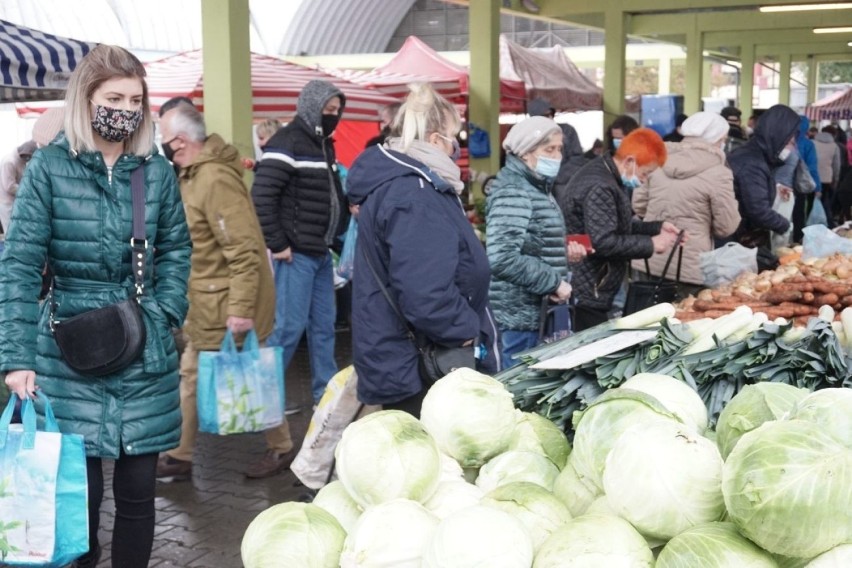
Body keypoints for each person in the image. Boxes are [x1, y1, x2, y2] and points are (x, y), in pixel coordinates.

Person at [0, 45, 191, 568]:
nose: (125, 108)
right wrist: (16, 359)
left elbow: (176, 248)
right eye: (114, 97)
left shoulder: (155, 171)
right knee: (77, 500)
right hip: (68, 350)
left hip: (143, 348)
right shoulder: (49, 169)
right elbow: (17, 265)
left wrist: (166, 313)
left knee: (137, 498)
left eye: (135, 98)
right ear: (86, 98)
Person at [346, 83, 499, 417]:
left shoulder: (413, 186)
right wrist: (463, 332)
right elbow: (425, 291)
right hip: (417, 364)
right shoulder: (415, 194)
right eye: (454, 137)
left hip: (405, 355)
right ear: (433, 140)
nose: (457, 147)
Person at [154, 104, 286, 481]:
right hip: (210, 300)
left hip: (228, 303)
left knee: (253, 374)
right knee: (196, 375)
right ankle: (180, 455)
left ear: (179, 141)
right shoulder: (193, 175)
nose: (161, 143)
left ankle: (282, 447)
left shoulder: (212, 179)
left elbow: (244, 248)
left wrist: (242, 309)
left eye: (163, 135)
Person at [251, 79, 347, 407]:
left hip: (319, 253)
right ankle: (263, 402)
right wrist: (278, 244)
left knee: (324, 328)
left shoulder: (323, 144)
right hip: (295, 255)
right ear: (311, 106)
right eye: (328, 110)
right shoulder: (286, 142)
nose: (333, 116)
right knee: (287, 330)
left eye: (337, 110)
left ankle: (326, 395)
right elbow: (262, 196)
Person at [487, 116, 586, 367]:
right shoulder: (514, 190)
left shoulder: (535, 186)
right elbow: (502, 257)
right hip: (520, 318)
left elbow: (532, 241)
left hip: (536, 313)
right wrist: (553, 282)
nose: (556, 156)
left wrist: (560, 254)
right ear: (525, 153)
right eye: (548, 149)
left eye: (559, 149)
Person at [563, 128, 681, 331]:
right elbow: (603, 241)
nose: (644, 180)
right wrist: (651, 244)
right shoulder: (601, 185)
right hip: (590, 286)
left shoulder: (607, 176)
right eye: (645, 173)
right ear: (629, 162)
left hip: (594, 283)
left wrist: (656, 227)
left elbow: (615, 224)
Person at [632, 112, 740, 297]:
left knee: (643, 320)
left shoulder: (658, 160)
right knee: (681, 322)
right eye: (723, 139)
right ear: (716, 139)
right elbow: (726, 227)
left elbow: (639, 205)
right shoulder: (719, 173)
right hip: (690, 267)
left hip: (648, 255)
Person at [728, 104, 801, 251]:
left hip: (739, 234)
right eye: (789, 143)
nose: (791, 149)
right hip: (739, 239)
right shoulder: (752, 162)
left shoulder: (753, 153)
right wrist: (785, 225)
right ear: (777, 137)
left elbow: (748, 189)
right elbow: (758, 211)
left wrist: (774, 188)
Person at [791, 115, 822, 241]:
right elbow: (812, 168)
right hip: (800, 186)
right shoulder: (808, 144)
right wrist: (817, 187)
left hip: (780, 184)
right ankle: (797, 240)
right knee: (799, 214)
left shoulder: (784, 140)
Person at [0, 140, 36, 233]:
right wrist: (27, 189)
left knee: (18, 230)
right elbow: (9, 186)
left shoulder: (22, 161)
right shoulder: (9, 162)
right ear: (26, 154)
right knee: (11, 231)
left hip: (17, 201)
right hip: (7, 203)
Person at [814, 124, 842, 224]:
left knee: (811, 203)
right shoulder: (834, 146)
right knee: (825, 201)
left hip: (812, 178)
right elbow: (836, 166)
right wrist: (835, 180)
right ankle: (828, 222)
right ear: (834, 135)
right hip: (827, 179)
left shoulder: (812, 143)